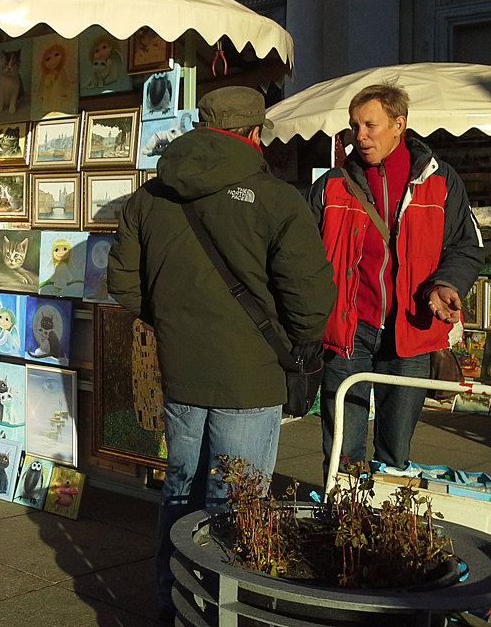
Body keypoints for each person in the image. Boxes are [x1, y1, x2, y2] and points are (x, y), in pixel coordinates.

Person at [107, 85, 335, 621]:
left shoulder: (149, 195)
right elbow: (311, 302)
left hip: (181, 370)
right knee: (239, 501)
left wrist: (173, 322)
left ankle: (173, 600)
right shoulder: (278, 198)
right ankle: (223, 609)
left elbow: (122, 283)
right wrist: (286, 338)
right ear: (255, 132)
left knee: (181, 491)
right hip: (251, 375)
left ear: (201, 125)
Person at [308, 83, 483, 477]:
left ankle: (383, 532)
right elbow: (301, 257)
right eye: (355, 125)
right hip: (349, 333)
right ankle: (341, 528)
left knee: (395, 452)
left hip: (410, 333)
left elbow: (465, 246)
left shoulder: (441, 181)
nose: (360, 135)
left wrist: (447, 285)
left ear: (398, 125)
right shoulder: (331, 185)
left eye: (370, 125)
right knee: (341, 451)